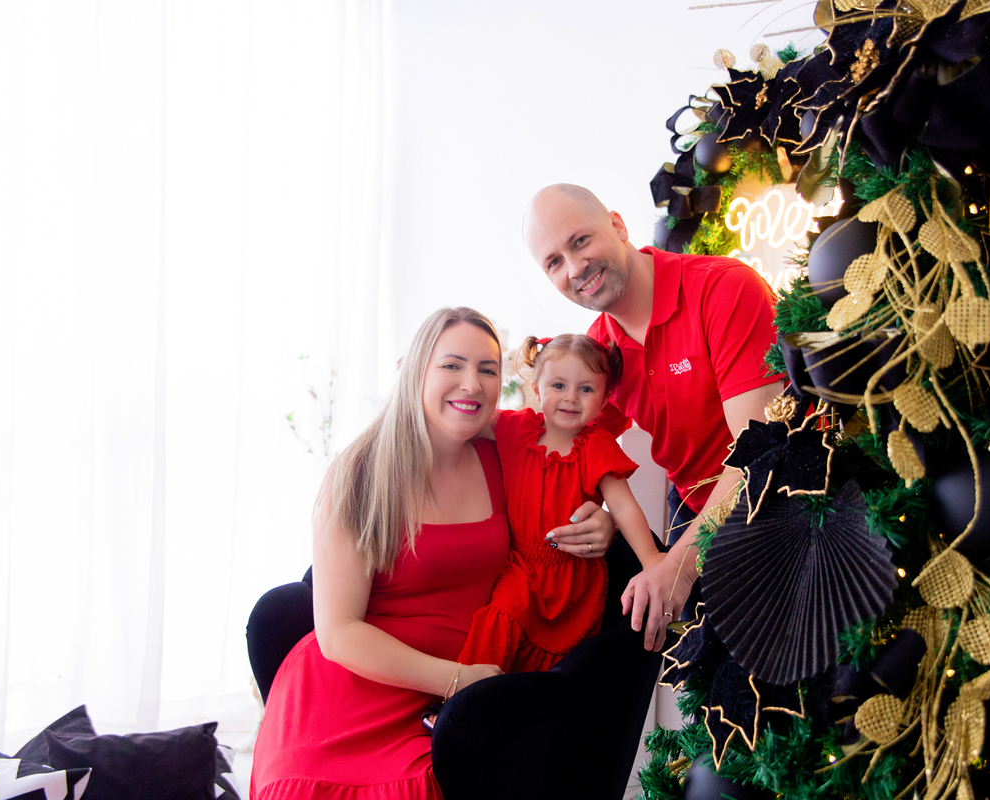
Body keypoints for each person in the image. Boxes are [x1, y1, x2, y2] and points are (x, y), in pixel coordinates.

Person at [248, 307, 660, 800]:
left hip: (456, 705)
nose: (472, 384)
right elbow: (338, 635)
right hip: (353, 692)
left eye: (488, 370)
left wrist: (601, 521)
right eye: (452, 365)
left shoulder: (501, 456)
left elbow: (562, 481)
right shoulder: (359, 474)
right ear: (417, 369)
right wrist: (460, 679)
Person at [523, 184, 783, 651]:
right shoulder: (597, 352)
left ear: (618, 226)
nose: (575, 268)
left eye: (580, 241)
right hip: (694, 513)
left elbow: (761, 453)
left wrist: (680, 564)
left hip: (781, 500)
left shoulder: (723, 288)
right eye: (554, 262)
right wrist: (601, 519)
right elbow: (567, 453)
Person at [457, 334, 664, 675]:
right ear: (537, 389)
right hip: (521, 567)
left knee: (560, 667)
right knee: (502, 617)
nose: (571, 398)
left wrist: (651, 560)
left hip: (571, 580)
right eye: (558, 385)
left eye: (586, 389)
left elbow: (624, 508)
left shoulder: (596, 446)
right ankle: (463, 695)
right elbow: (469, 421)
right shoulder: (514, 428)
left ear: (604, 398)